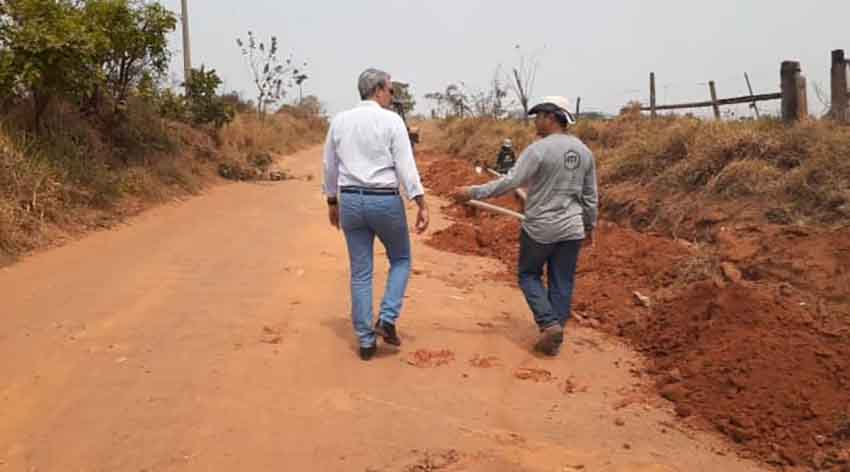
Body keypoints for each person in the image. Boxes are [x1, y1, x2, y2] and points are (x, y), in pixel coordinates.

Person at [451, 96, 597, 356]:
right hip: (572, 229)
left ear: (551, 117)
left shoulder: (538, 149)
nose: (535, 122)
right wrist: (589, 226)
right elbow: (590, 196)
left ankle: (549, 324)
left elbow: (510, 182)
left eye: (538, 116)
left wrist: (472, 191)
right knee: (562, 280)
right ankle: (556, 333)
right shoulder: (584, 151)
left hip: (541, 227)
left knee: (528, 275)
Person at [322, 68, 430, 361]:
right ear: (380, 89)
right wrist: (420, 201)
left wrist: (332, 201)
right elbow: (405, 166)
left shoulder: (340, 121)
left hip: (351, 202)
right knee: (401, 259)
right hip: (384, 200)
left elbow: (329, 166)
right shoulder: (391, 121)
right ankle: (387, 316)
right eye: (391, 90)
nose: (392, 96)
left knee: (361, 271)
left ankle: (366, 340)